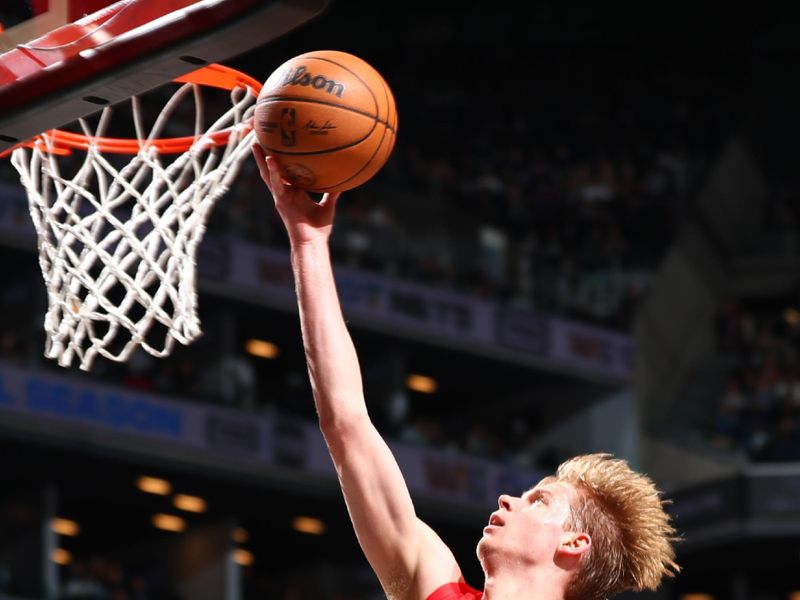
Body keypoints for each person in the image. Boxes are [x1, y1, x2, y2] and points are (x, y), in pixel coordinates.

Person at [252, 147, 680, 600]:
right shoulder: (435, 582)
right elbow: (347, 424)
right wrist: (308, 243)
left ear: (573, 543)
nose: (507, 500)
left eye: (539, 501)